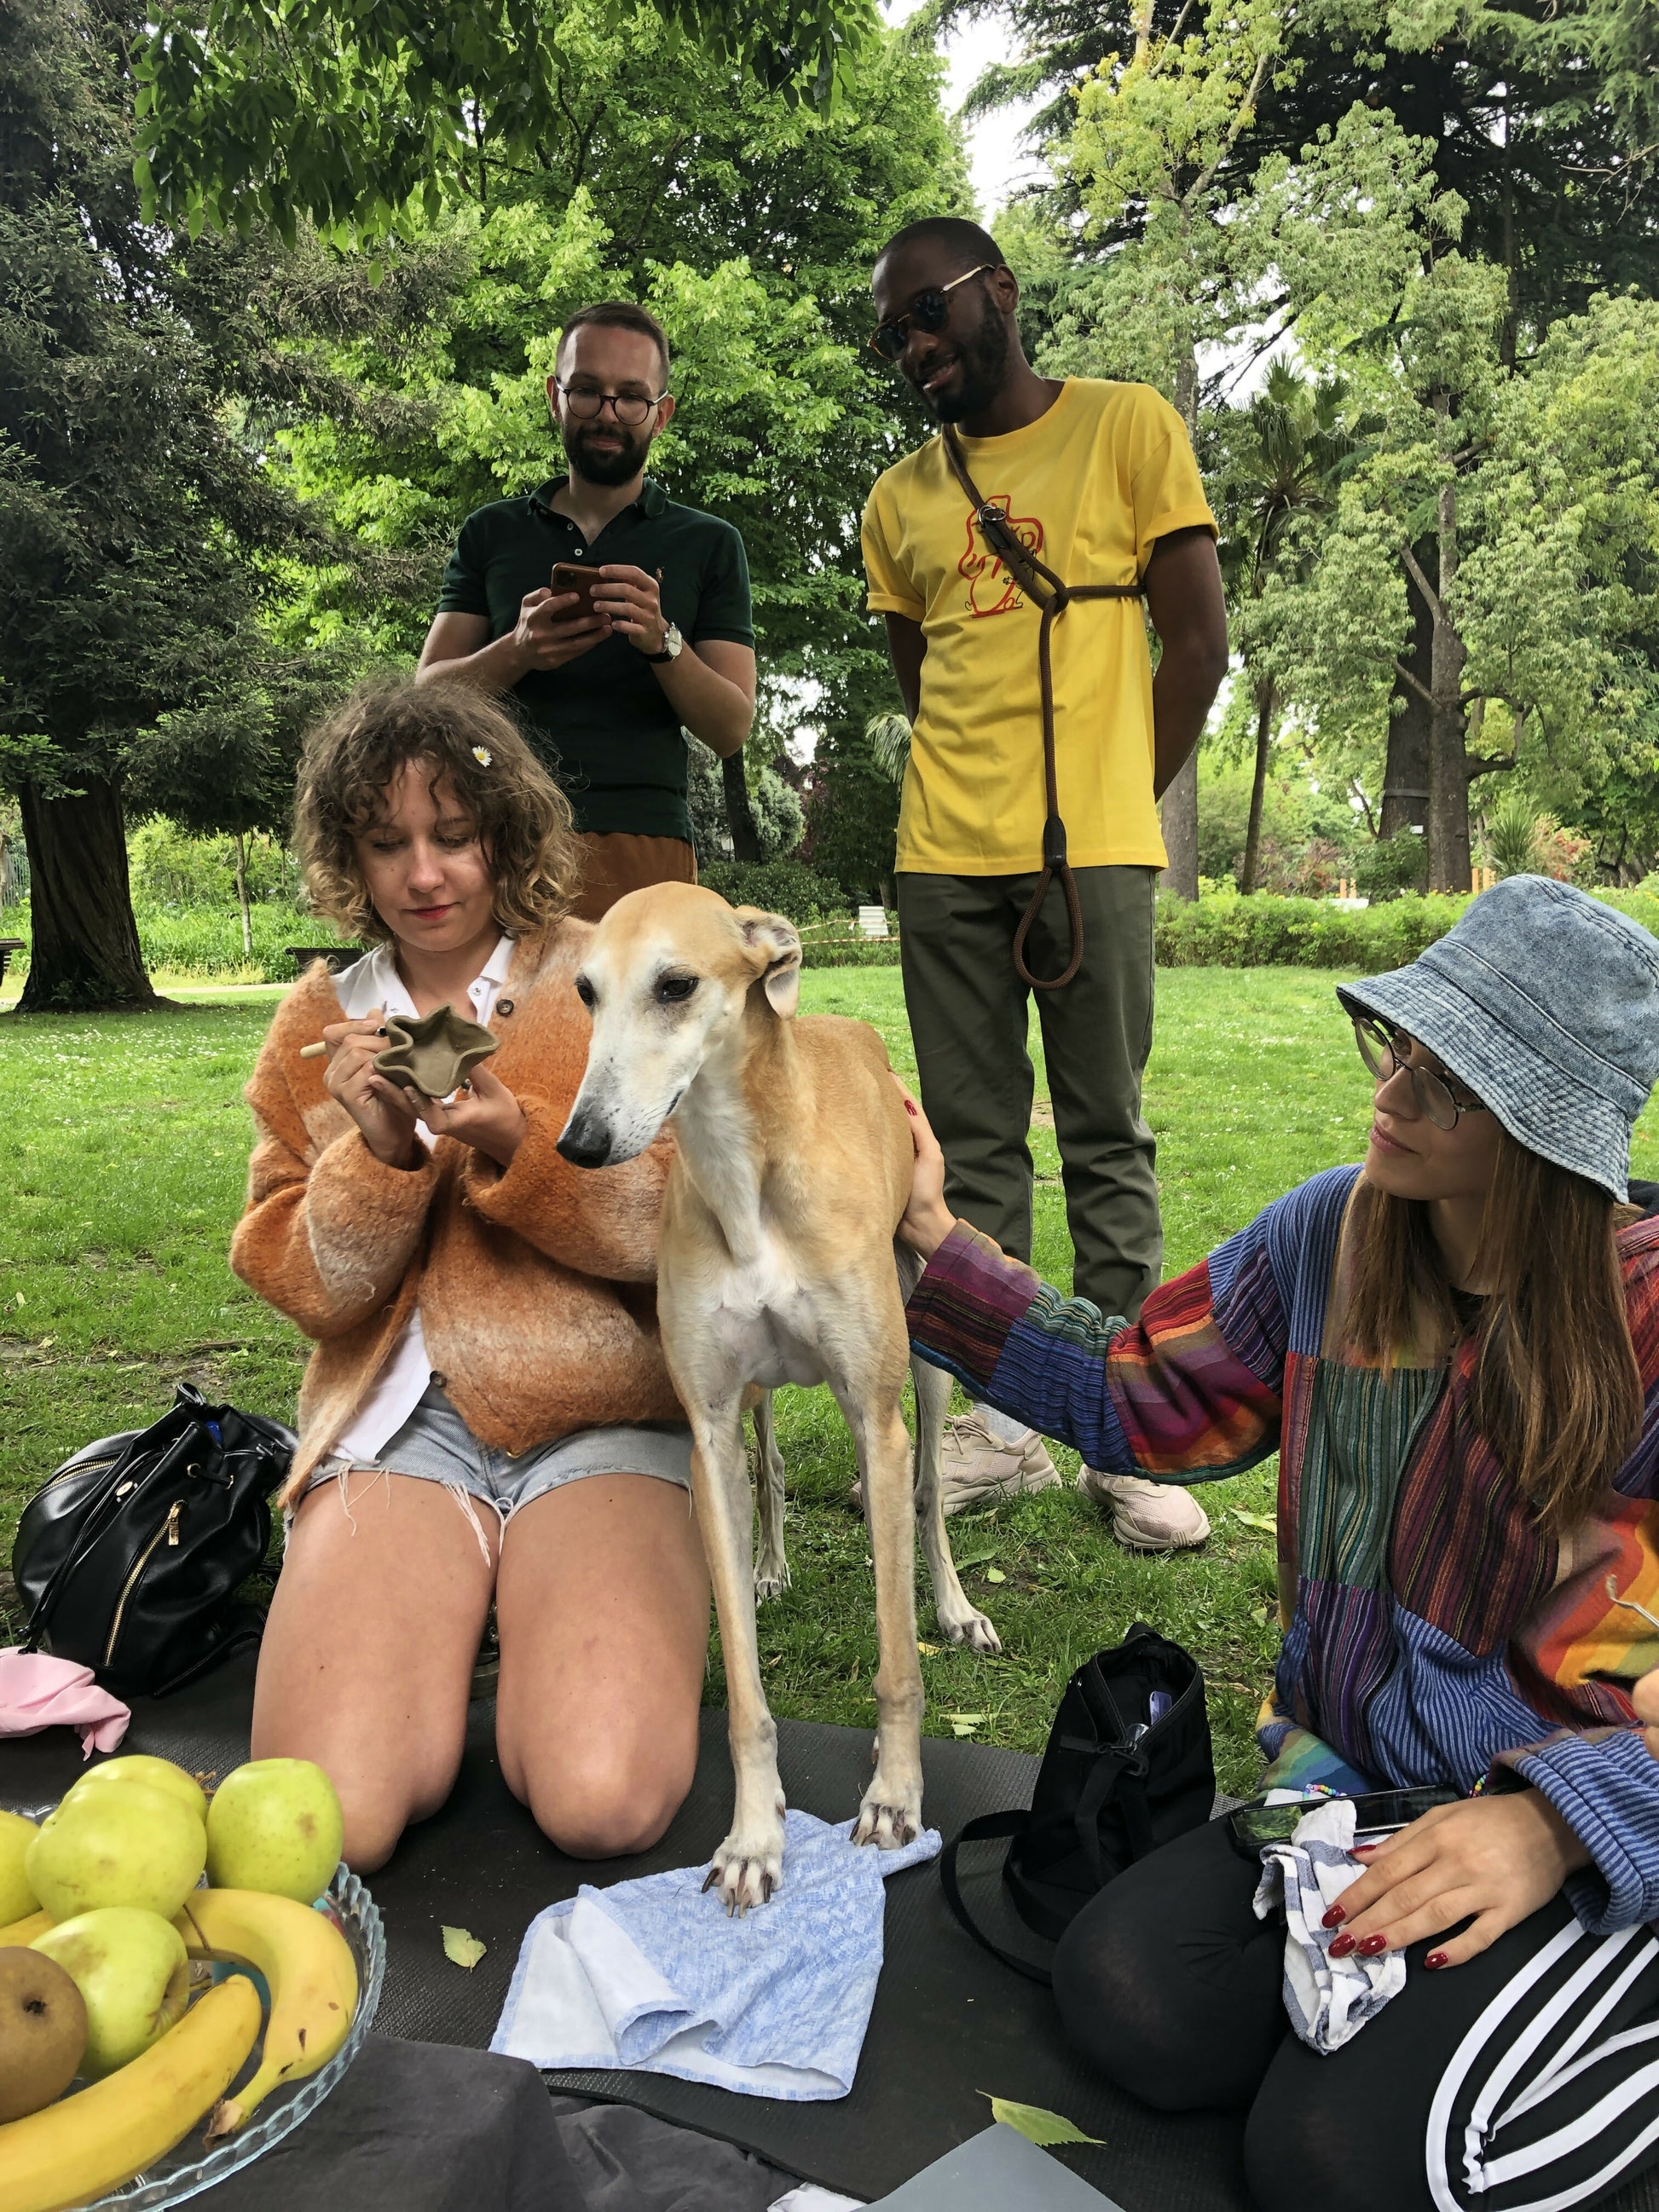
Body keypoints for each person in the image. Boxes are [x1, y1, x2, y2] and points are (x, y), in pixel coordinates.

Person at [897, 874, 1659, 2212]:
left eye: (1448, 1081)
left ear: (1544, 1135)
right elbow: (1138, 1394)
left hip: (1584, 1814)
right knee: (1127, 1993)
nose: (1393, 1090)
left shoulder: (1642, 1316)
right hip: (1356, 1787)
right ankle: (1413, 2018)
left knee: (1335, 2161)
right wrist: (928, 1241)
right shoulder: (1329, 1234)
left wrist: (1555, 1825)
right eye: (1397, 1044)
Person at [230, 682, 709, 1871]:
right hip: (396, 1430)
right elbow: (303, 1284)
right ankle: (453, 1607)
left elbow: (687, 1229)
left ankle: (544, 1604)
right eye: (385, 842)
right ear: (347, 857)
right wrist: (379, 1159)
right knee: (333, 1818)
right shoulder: (318, 1023)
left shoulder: (606, 976)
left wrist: (519, 1146)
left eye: (453, 835)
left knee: (602, 1799)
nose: (424, 873)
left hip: (601, 1412)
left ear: (506, 832)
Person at [862, 217, 1228, 1551]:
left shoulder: (1129, 426)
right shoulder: (895, 501)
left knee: (1104, 1134)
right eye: (889, 335)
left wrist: (1119, 801)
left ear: (997, 291)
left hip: (1095, 854)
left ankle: (1120, 1431)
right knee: (968, 1151)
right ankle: (1003, 1421)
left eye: (925, 311)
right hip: (942, 857)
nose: (911, 344)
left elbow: (1197, 641)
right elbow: (928, 686)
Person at [416, 299, 756, 921]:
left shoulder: (709, 543)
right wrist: (517, 650)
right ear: (556, 397)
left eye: (632, 397)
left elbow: (732, 726)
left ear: (661, 414)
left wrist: (662, 640)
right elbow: (426, 698)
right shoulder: (490, 533)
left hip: (645, 839)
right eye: (587, 391)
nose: (608, 413)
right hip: (501, 832)